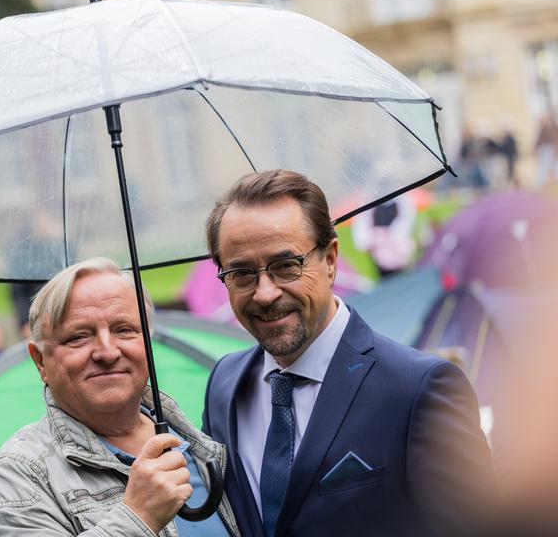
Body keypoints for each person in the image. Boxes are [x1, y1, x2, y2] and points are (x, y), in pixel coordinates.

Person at [201, 170, 497, 537]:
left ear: (330, 259)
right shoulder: (224, 386)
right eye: (242, 273)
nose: (265, 293)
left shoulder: (418, 389)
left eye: (285, 266)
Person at [0, 257, 239, 536]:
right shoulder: (12, 484)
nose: (107, 352)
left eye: (124, 330)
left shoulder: (206, 443)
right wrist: (137, 518)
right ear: (40, 361)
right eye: (78, 337)